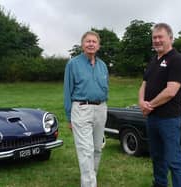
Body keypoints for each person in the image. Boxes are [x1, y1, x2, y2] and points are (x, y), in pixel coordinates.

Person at [138, 23, 181, 187]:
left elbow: (171, 91)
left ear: (170, 38)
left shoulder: (177, 60)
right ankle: (160, 184)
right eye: (154, 38)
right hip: (152, 119)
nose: (157, 40)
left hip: (169, 119)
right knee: (157, 157)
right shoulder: (153, 60)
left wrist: (149, 105)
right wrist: (141, 101)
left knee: (174, 160)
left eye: (161, 37)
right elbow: (144, 84)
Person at [64, 31, 109, 187]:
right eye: (88, 41)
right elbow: (67, 91)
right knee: (86, 150)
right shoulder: (73, 64)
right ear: (82, 45)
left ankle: (90, 177)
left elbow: (105, 89)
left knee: (97, 148)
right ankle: (89, 184)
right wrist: (69, 117)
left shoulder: (103, 66)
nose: (91, 44)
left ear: (98, 45)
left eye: (94, 41)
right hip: (81, 109)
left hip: (101, 109)